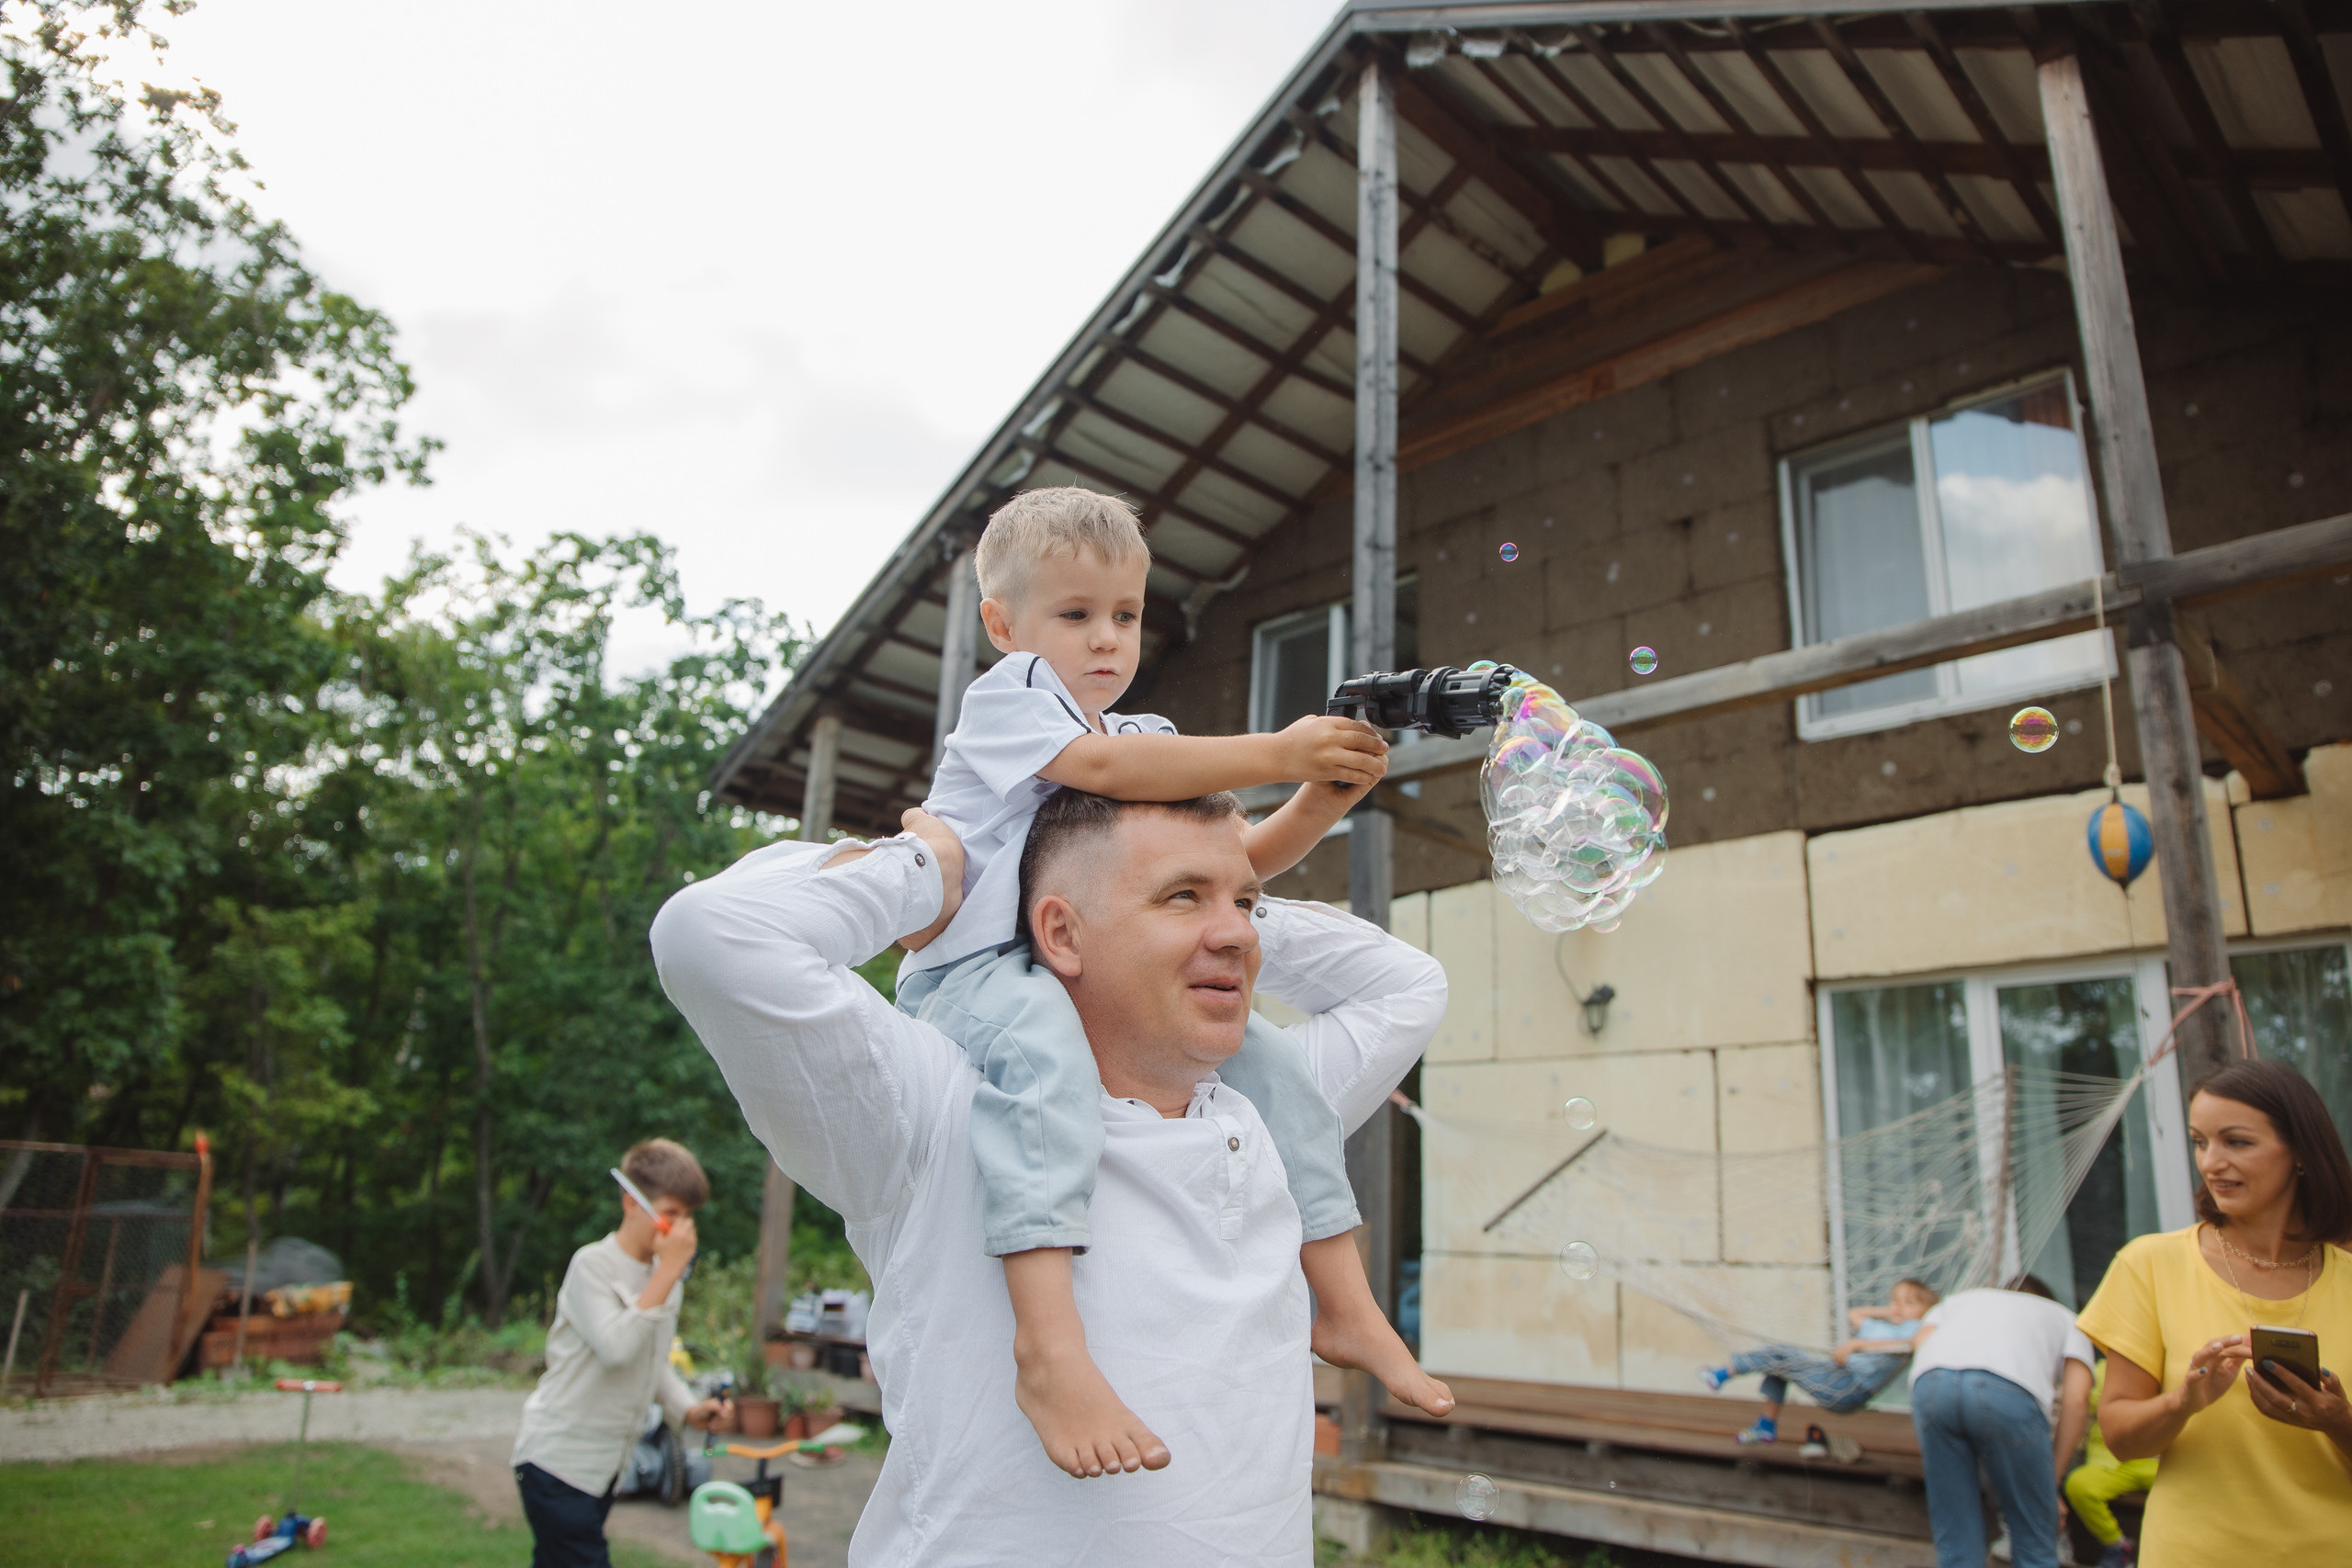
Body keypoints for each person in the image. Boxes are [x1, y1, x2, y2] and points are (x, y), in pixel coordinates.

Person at [650, 789, 1447, 1563]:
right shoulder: (933, 1107)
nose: (1239, 935)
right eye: (1180, 895)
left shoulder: (1267, 1111)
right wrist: (935, 873)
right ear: (1061, 933)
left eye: (1247, 903)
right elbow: (711, 933)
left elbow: (1409, 984)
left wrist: (1218, 890)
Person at [893, 485, 1450, 1479]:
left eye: (1125, 615)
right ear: (1002, 623)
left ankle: (1346, 1304)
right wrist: (1280, 749)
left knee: (1272, 1069)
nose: (1106, 639)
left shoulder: (1143, 733)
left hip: (1060, 964)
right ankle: (1048, 1345)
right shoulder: (1012, 704)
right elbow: (1098, 772)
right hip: (976, 972)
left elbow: (1237, 862)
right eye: (1075, 615)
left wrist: (1322, 796)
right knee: (1043, 1058)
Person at [2075, 1058, 2352, 1566]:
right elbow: (2119, 1437)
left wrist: (2338, 1421)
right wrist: (2184, 1400)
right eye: (2200, 1142)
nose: (2211, 1162)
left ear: (2300, 1154)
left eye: (2237, 1142)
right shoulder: (2149, 1264)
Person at [511, 1138, 728, 1568]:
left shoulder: (668, 1281)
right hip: (557, 1463)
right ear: (632, 1203)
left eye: (688, 1218)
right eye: (671, 1215)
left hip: (606, 1470)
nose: (683, 1231)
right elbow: (616, 1349)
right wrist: (667, 1274)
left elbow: (654, 1357)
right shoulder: (592, 1265)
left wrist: (688, 1409)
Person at [1905, 1275, 2095, 1568]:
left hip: (1931, 1382)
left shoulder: (1961, 1301)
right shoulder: (2068, 1319)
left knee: (1955, 1536)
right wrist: (2049, 1483)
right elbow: (2076, 1400)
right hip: (2008, 1388)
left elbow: (1919, 1341)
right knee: (2034, 1539)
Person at [1701, 1278, 1939, 1443]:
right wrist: (1889, 1311)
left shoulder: (1915, 1330)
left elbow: (1906, 1346)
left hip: (1847, 1389)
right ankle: (1766, 1426)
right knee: (1780, 1363)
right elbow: (1855, 1314)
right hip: (1836, 1375)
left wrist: (1857, 1344)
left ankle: (1722, 1374)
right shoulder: (1882, 1326)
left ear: (1926, 1311)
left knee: (1782, 1356)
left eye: (1910, 1303)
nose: (1900, 1307)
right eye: (1896, 1300)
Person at [2063, 1356, 2157, 1568]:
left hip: (2151, 1461)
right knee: (2078, 1485)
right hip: (2108, 1462)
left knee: (2187, 1485)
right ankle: (2117, 1546)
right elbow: (2089, 1400)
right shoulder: (2101, 1369)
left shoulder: (2159, 1365)